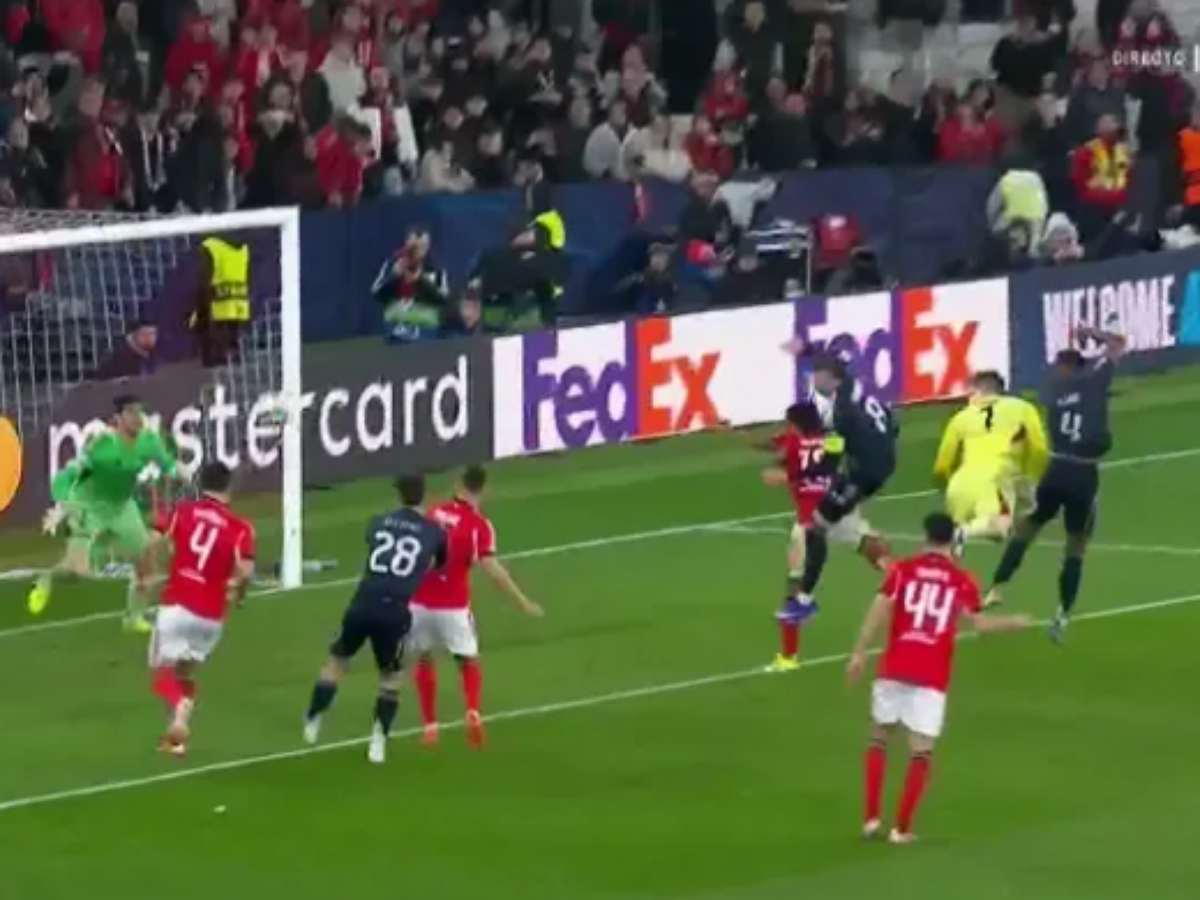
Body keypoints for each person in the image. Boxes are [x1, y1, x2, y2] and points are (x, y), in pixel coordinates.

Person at [846, 512, 1034, 844]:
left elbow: (879, 610)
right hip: (930, 672)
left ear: (926, 536)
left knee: (878, 739)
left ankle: (871, 819)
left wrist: (859, 652)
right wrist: (1015, 622)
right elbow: (980, 625)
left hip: (895, 664)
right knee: (921, 751)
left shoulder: (902, 570)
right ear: (952, 541)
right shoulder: (961, 580)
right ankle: (901, 829)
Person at [985, 326, 1126, 643]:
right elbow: (1118, 343)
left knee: (1029, 527)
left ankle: (996, 586)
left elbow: (1065, 381)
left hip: (1056, 468)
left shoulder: (1053, 391)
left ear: (1064, 368)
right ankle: (1062, 616)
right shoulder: (1095, 381)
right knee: (1076, 545)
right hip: (1084, 473)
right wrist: (1092, 333)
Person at [302, 474, 447, 764]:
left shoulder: (379, 521)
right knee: (391, 677)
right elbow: (439, 563)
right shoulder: (434, 531)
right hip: (394, 610)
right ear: (424, 495)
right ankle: (378, 741)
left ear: (399, 495)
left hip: (363, 601)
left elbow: (374, 544)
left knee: (337, 662)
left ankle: (314, 718)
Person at [411, 466, 544, 748]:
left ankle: (430, 726)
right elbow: (493, 570)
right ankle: (472, 710)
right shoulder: (479, 526)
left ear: (458, 484)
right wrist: (522, 602)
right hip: (453, 606)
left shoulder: (433, 512)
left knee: (424, 659)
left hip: (419, 601)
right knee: (468, 660)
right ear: (484, 489)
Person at [760, 402, 891, 672]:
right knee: (875, 553)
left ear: (794, 425)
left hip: (810, 520)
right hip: (839, 508)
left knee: (795, 584)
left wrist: (782, 475)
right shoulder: (830, 438)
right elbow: (831, 469)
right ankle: (919, 586)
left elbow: (778, 456)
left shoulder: (792, 443)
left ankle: (788, 657)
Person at [30, 395, 177, 633]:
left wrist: (182, 473)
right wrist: (62, 507)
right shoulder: (101, 445)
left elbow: (169, 465)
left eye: (139, 411)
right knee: (75, 572)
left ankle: (133, 618)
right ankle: (45, 579)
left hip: (122, 507)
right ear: (118, 418)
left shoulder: (149, 441)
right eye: (131, 412)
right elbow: (73, 472)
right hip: (89, 505)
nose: (137, 417)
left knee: (145, 558)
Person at [778, 346, 898, 622]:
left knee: (816, 526)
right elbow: (893, 428)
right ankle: (889, 567)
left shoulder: (841, 412)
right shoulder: (861, 393)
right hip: (880, 465)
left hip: (865, 475)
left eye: (818, 376)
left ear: (833, 379)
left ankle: (805, 601)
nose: (814, 381)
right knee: (835, 521)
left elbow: (832, 456)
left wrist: (803, 473)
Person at [150, 462, 255, 757]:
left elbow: (152, 541)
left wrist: (149, 573)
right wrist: (239, 594)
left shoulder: (183, 512)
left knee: (161, 674)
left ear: (200, 484)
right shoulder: (241, 528)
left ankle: (180, 713)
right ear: (229, 487)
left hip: (178, 604)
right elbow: (245, 572)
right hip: (211, 617)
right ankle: (176, 741)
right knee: (184, 673)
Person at [932, 370, 1049, 550]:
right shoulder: (1023, 408)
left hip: (959, 484)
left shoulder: (960, 418)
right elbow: (1039, 448)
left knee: (962, 544)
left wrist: (945, 487)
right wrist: (1032, 476)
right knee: (999, 528)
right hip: (995, 481)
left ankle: (955, 539)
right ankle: (959, 533)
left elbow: (942, 465)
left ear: (976, 391)